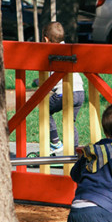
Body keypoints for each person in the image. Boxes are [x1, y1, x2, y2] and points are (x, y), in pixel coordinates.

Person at [42, 21, 85, 154]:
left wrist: (38, 81)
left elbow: (51, 80)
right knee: (69, 121)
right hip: (80, 92)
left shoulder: (52, 54)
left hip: (66, 92)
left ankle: (55, 142)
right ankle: (73, 151)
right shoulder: (67, 49)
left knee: (45, 109)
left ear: (46, 39)